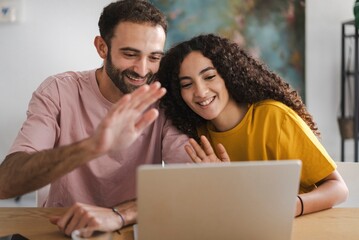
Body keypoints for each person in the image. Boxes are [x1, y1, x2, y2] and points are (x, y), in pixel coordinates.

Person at [0, 0, 191, 237]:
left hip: (133, 226)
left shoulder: (164, 99)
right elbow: (6, 183)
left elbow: (189, 185)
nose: (142, 70)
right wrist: (92, 147)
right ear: (102, 47)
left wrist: (119, 214)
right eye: (130, 54)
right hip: (62, 228)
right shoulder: (58, 91)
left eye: (154, 57)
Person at [158, 33, 349, 217]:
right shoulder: (199, 135)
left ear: (228, 74)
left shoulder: (274, 118)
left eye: (209, 77)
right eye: (186, 84)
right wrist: (219, 184)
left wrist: (291, 206)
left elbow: (338, 188)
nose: (200, 92)